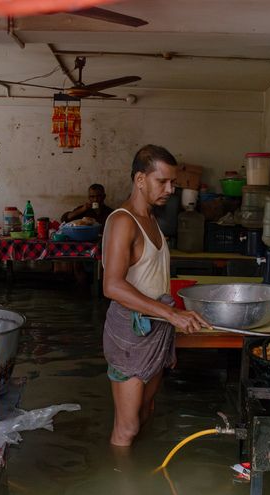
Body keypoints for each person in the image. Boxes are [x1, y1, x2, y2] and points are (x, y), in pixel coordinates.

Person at [102, 145, 210, 447]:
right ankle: (120, 486)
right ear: (139, 179)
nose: (171, 189)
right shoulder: (124, 221)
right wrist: (171, 314)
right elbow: (111, 285)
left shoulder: (151, 219)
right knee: (127, 427)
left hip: (155, 327)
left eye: (172, 183)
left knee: (147, 410)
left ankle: (140, 477)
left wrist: (174, 313)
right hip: (130, 333)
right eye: (162, 181)